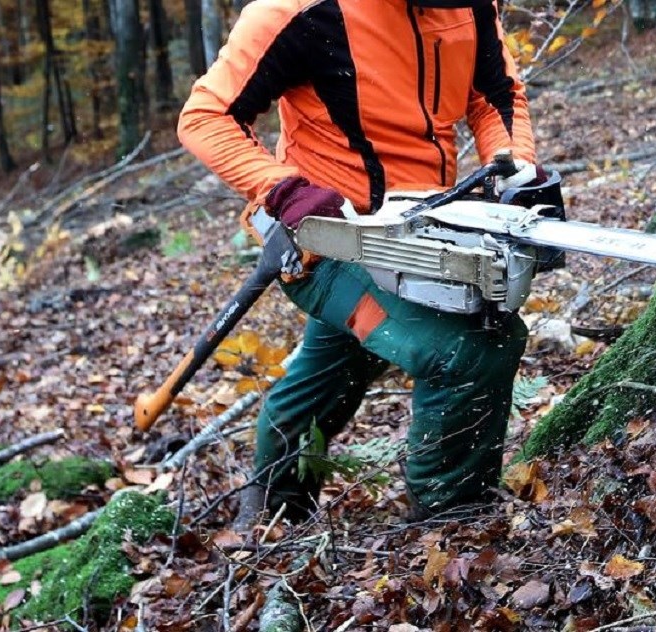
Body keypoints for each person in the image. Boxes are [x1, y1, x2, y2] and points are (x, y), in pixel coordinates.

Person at [177, 0, 544, 526]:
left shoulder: (470, 8)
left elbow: (494, 97)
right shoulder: (302, 11)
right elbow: (206, 116)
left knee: (334, 370)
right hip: (329, 242)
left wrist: (512, 168)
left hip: (424, 231)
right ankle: (453, 525)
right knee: (471, 346)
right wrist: (282, 188)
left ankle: (269, 513)